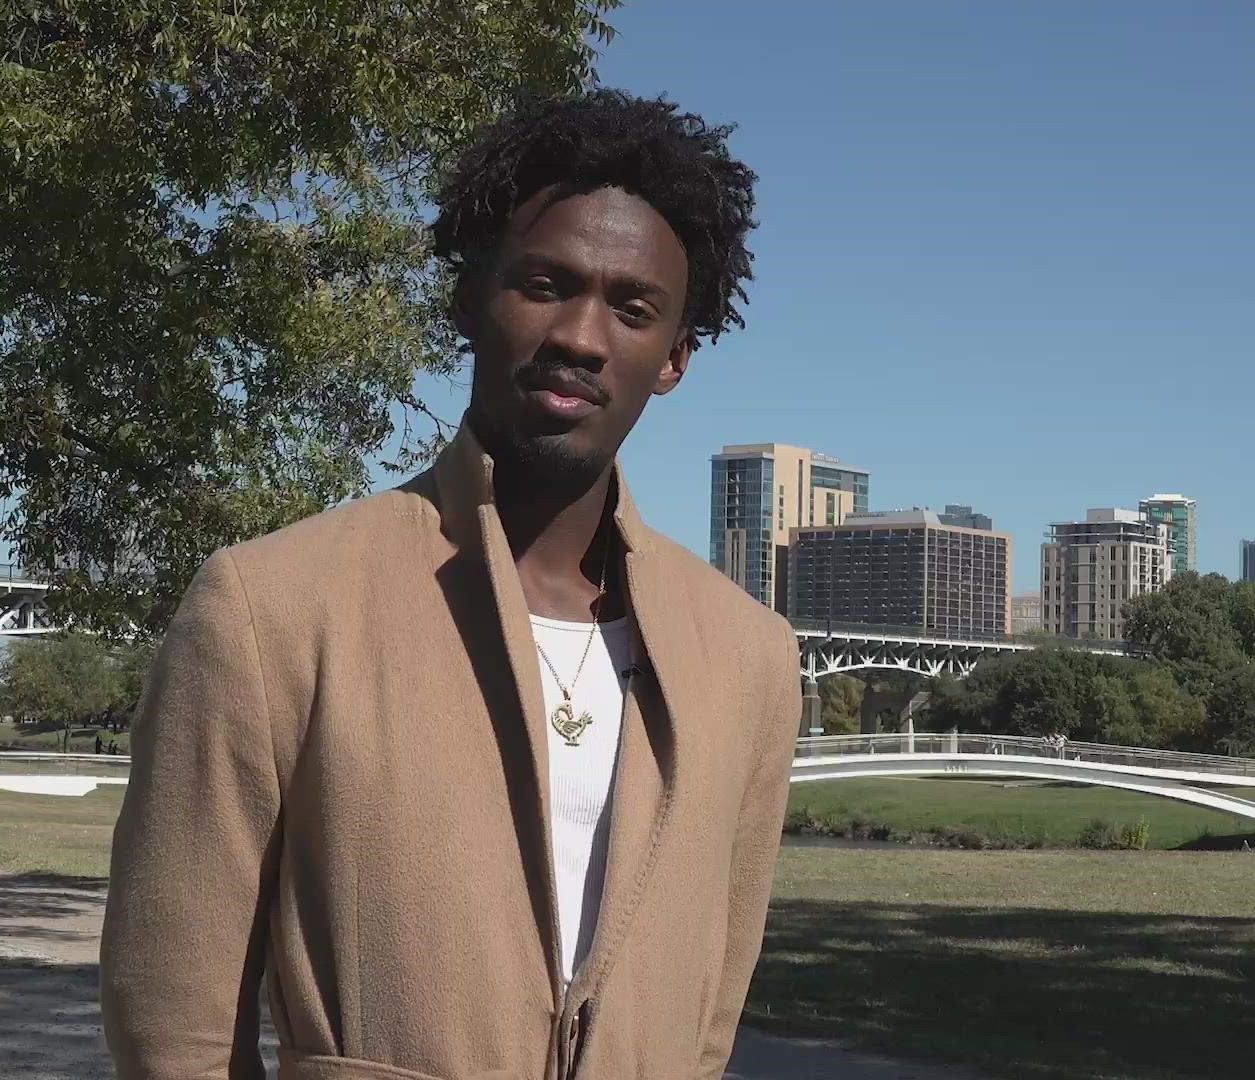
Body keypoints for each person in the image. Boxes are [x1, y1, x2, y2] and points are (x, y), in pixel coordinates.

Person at [100, 90, 797, 1080]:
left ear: (676, 356)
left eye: (633, 309)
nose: (581, 337)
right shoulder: (273, 609)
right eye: (545, 284)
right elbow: (171, 1019)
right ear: (470, 298)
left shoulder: (748, 656)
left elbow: (710, 1013)